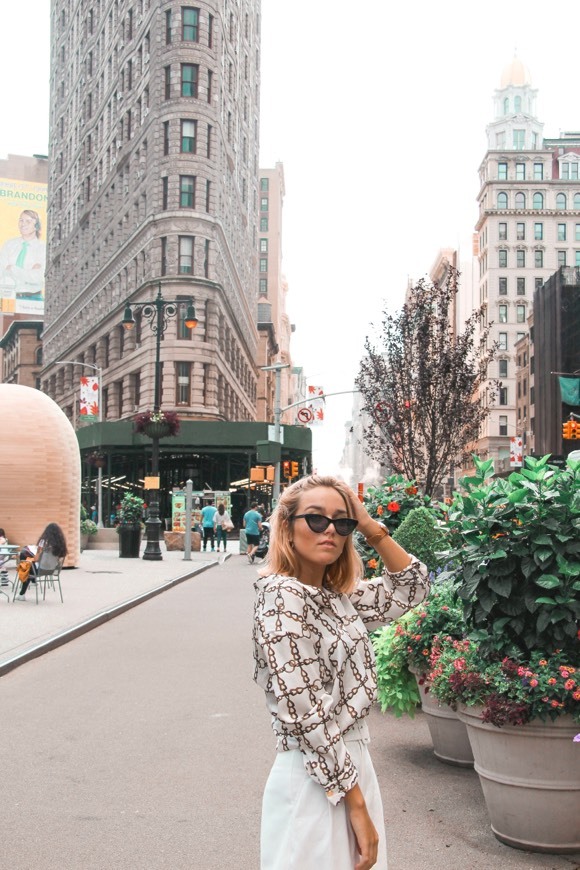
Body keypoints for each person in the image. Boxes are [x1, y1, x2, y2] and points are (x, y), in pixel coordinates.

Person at [253, 475, 429, 870]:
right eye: (316, 519)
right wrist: (356, 804)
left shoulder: (338, 598)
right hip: (318, 775)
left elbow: (413, 587)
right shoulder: (282, 598)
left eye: (342, 522)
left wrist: (368, 524)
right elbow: (305, 713)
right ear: (287, 526)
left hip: (350, 766)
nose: (330, 530)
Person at [0, 209, 46, 302]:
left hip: (33, 298)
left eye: (28, 221)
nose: (23, 224)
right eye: (21, 220)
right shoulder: (9, 245)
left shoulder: (43, 249)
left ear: (36, 226)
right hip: (7, 295)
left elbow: (39, 278)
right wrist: (28, 272)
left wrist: (12, 268)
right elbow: (2, 273)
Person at [16, 522, 67, 601]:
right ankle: (32, 582)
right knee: (30, 566)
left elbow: (36, 559)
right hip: (52, 570)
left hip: (40, 570)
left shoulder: (43, 542)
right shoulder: (60, 545)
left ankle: (22, 594)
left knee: (27, 565)